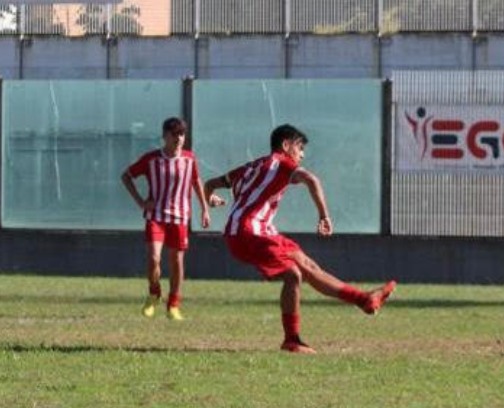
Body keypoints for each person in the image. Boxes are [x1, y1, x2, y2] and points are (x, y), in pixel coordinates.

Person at [204, 124, 396, 354]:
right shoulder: (283, 163)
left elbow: (210, 184)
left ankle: (364, 300)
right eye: (300, 148)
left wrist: (209, 199)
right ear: (286, 145)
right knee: (293, 274)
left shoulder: (251, 166)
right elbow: (311, 179)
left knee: (307, 266)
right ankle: (292, 340)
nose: (302, 154)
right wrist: (324, 215)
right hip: (248, 232)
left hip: (255, 231)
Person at [121, 117, 223, 321]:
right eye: (174, 134)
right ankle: (154, 293)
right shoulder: (151, 159)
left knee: (176, 260)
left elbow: (196, 182)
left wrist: (205, 209)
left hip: (180, 217)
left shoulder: (189, 159)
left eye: (182, 134)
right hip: (156, 216)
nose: (179, 138)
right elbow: (126, 176)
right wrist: (141, 202)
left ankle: (173, 304)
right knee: (154, 258)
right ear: (165, 136)